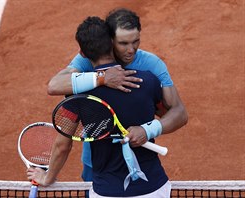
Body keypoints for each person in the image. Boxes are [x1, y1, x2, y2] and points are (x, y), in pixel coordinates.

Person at [28, 16, 171, 197]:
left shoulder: (77, 95)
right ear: (113, 44)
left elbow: (63, 144)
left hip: (107, 191)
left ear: (83, 53)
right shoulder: (149, 80)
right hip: (154, 188)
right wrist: (147, 129)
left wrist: (47, 177)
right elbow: (168, 115)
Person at [47, 8, 188, 184]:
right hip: (97, 163)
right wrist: (102, 78)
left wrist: (147, 130)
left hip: (140, 161)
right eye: (123, 43)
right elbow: (54, 85)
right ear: (110, 41)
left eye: (136, 41)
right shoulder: (86, 60)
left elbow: (179, 112)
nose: (131, 50)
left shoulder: (152, 65)